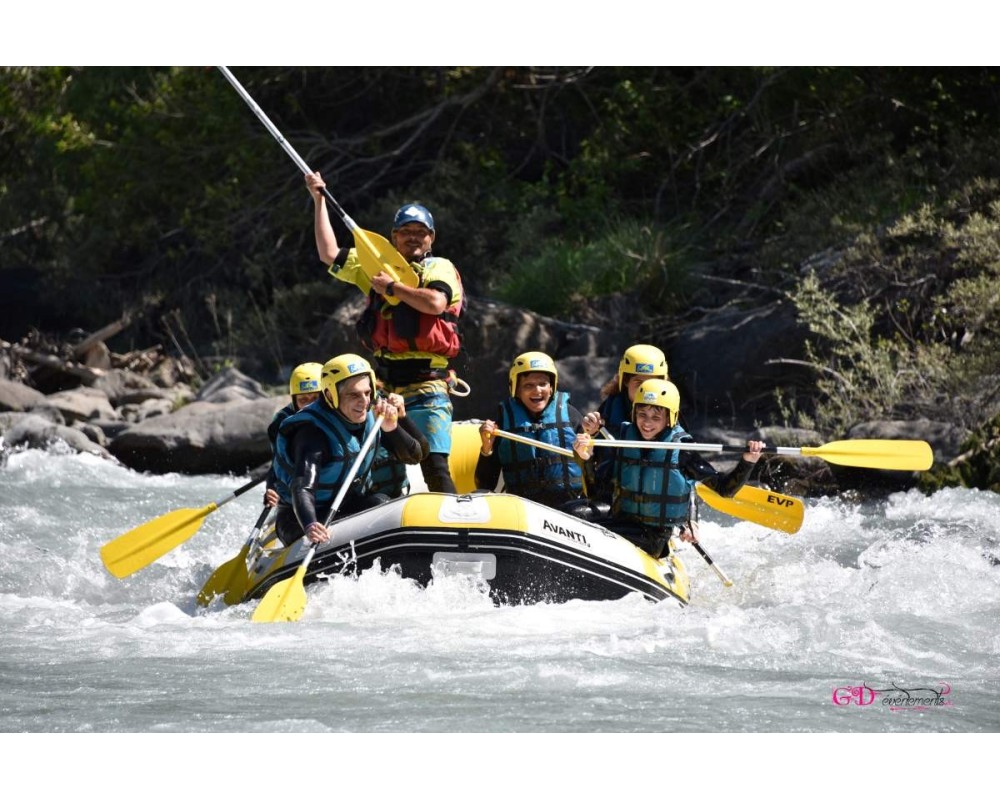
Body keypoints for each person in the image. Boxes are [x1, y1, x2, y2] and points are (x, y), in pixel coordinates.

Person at [306, 172, 464, 494]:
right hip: (384, 386)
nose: (413, 238)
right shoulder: (374, 268)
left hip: (428, 385)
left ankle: (452, 523)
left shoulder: (439, 268)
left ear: (431, 238)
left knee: (434, 464)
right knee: (383, 467)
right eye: (406, 232)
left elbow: (435, 302)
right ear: (393, 236)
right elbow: (328, 253)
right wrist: (318, 200)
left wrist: (392, 287)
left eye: (421, 233)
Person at [574, 378, 764, 559]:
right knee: (574, 513)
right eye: (642, 415)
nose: (647, 423)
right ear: (634, 414)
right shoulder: (624, 439)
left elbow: (725, 489)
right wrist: (586, 457)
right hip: (621, 521)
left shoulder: (683, 451)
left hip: (652, 536)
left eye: (656, 417)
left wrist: (748, 461)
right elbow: (596, 492)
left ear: (669, 418)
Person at [271, 353, 424, 546]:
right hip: (298, 518)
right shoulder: (311, 433)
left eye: (367, 393)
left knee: (382, 503)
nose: (364, 401)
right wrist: (310, 525)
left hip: (345, 505)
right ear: (329, 395)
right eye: (353, 395)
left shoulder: (372, 415)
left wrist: (391, 428)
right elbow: (302, 487)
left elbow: (415, 456)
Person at [476, 351, 599, 510]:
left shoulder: (571, 415)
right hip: (522, 509)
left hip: (568, 507)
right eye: (528, 385)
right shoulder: (504, 423)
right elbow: (485, 484)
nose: (537, 390)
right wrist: (486, 450)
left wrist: (587, 453)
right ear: (516, 389)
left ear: (551, 386)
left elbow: (594, 480)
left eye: (543, 384)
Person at [580, 343, 669, 501]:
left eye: (651, 383)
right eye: (639, 383)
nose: (645, 391)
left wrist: (691, 517)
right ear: (625, 381)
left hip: (653, 503)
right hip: (612, 499)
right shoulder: (610, 408)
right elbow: (583, 453)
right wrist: (589, 433)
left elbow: (685, 468)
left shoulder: (669, 413)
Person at [263, 362, 323, 508]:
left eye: (315, 398)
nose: (310, 406)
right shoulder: (281, 423)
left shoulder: (344, 415)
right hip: (296, 498)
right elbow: (277, 464)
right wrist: (270, 489)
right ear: (294, 401)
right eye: (303, 400)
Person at [368, 387, 430, 498]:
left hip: (396, 496)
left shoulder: (383, 402)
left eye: (366, 392)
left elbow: (422, 453)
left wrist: (402, 416)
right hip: (368, 501)